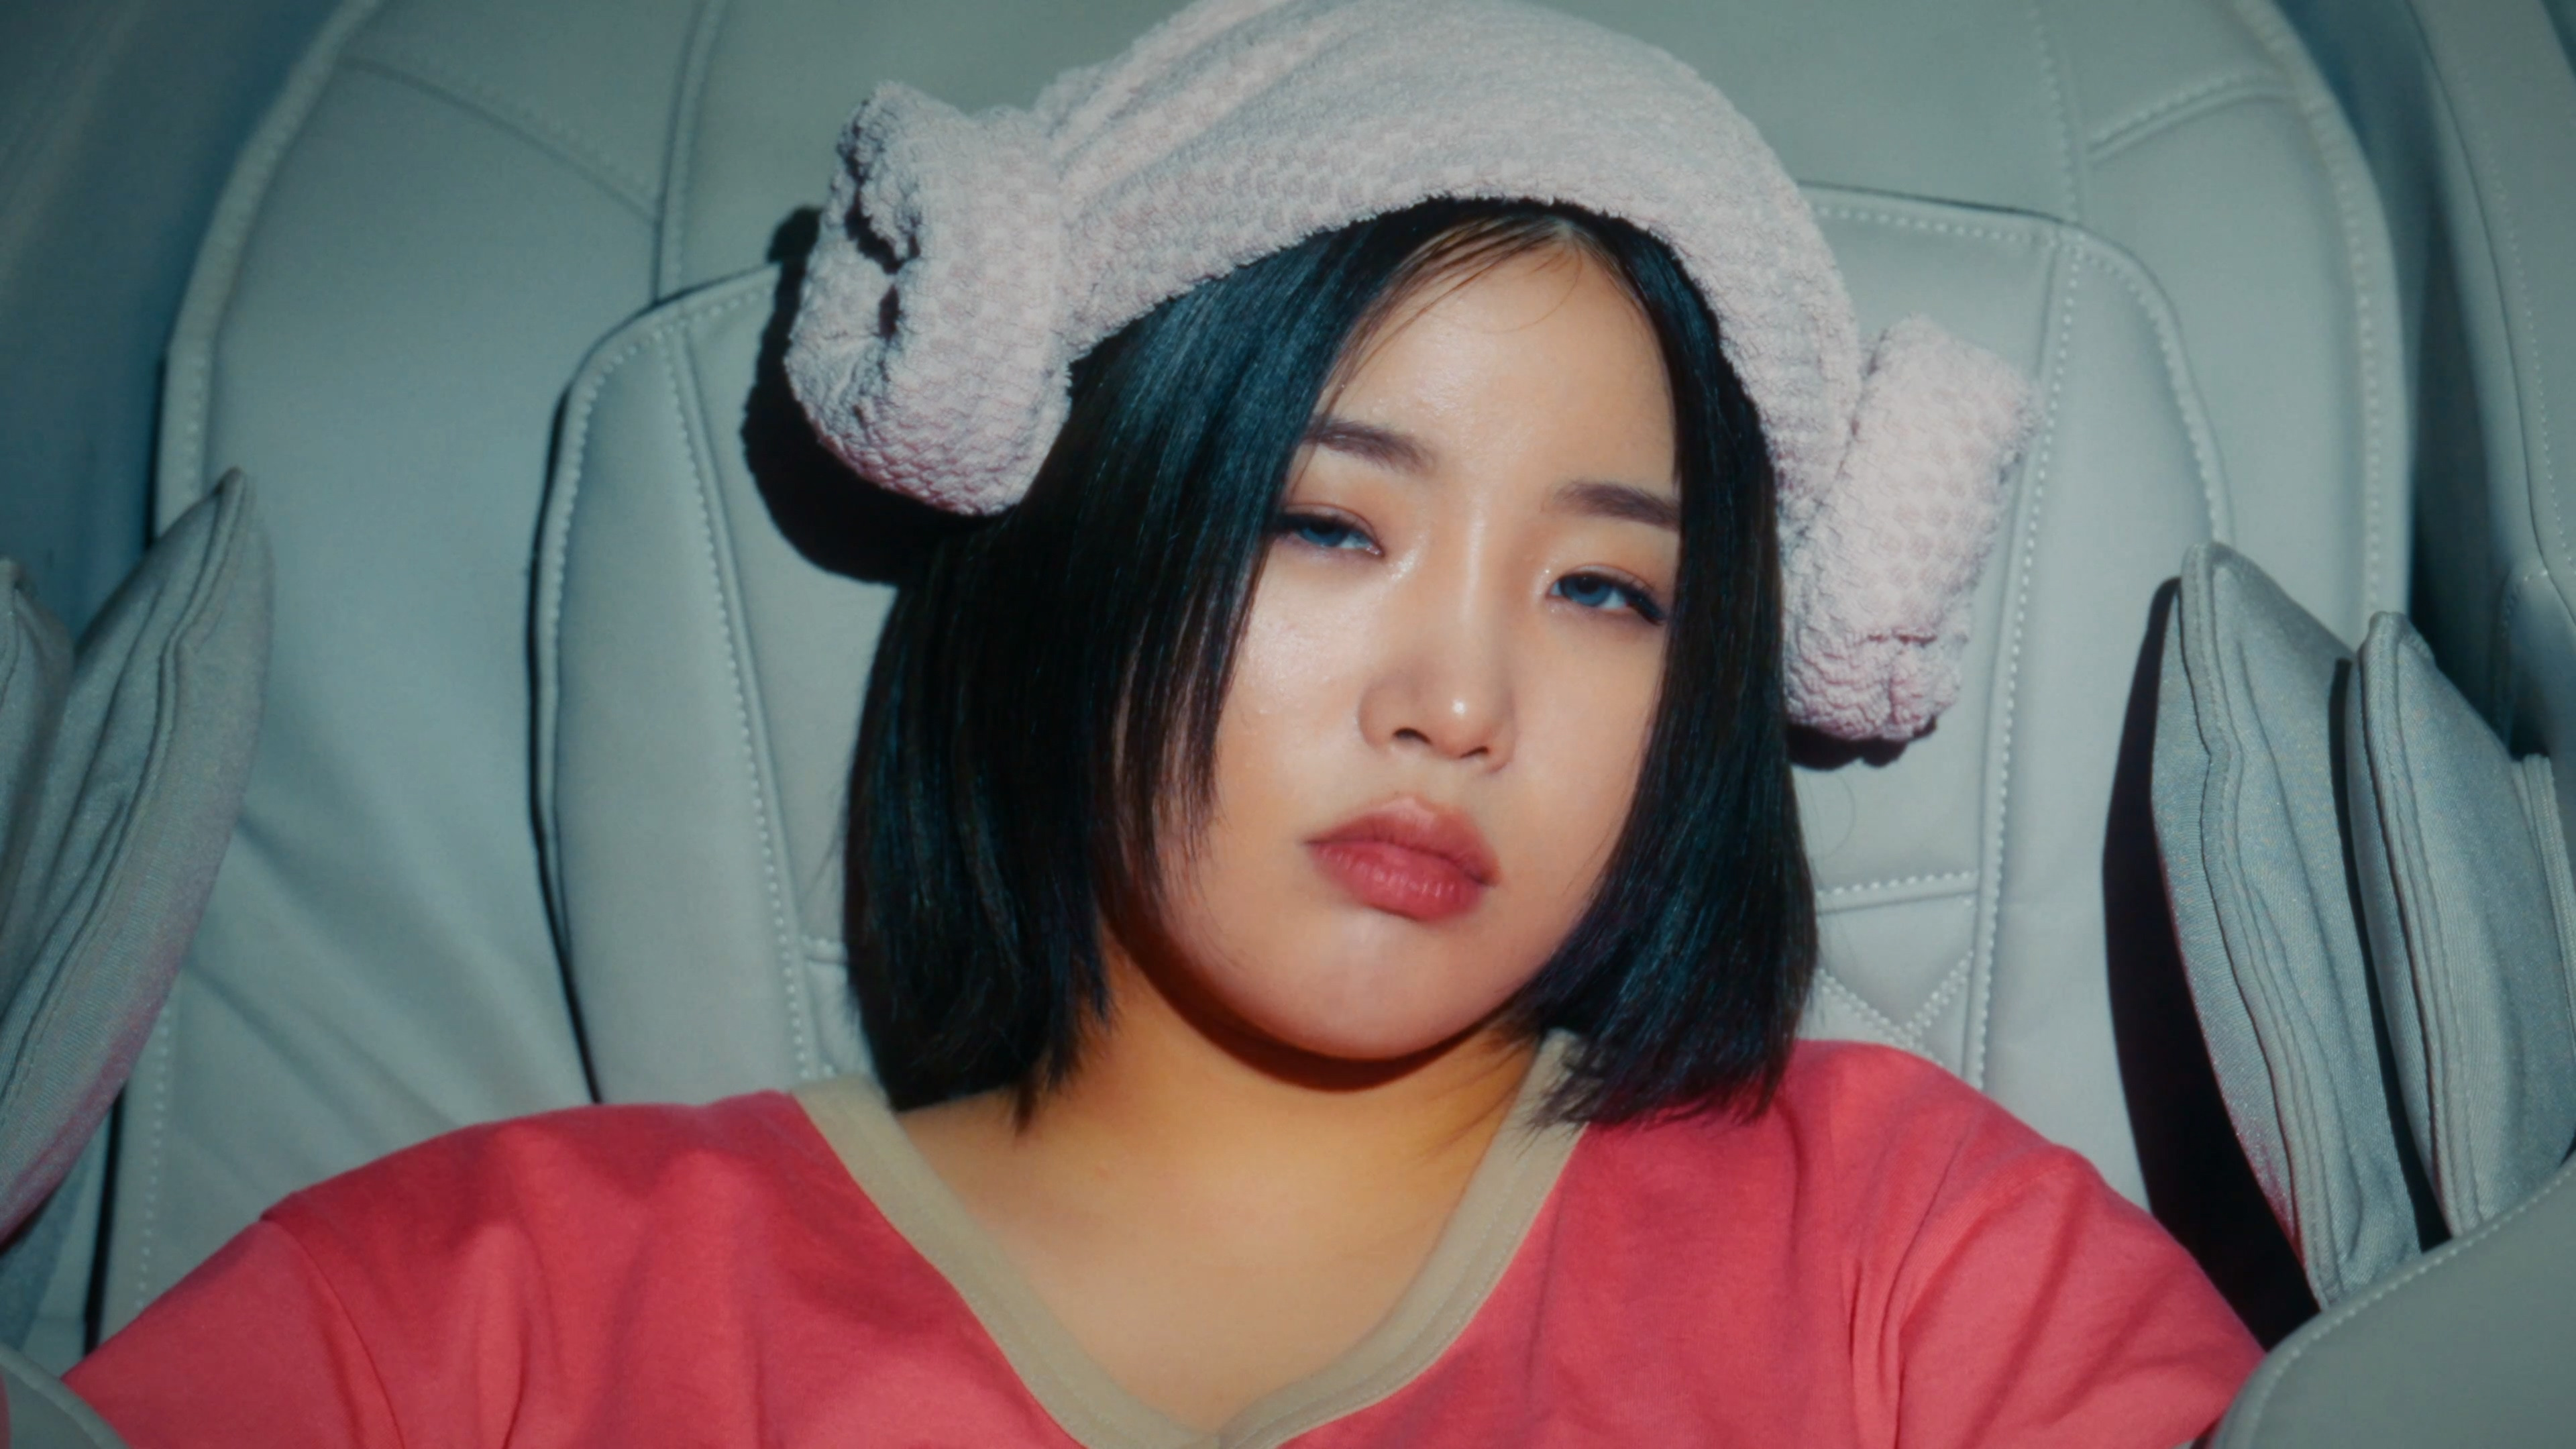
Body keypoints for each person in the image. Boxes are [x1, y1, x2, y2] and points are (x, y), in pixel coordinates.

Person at [67, 0, 2262, 1442]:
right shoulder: (477, 1318)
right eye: (1327, 526)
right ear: (1083, 532)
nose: (1461, 704)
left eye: (1605, 589)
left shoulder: (1921, 1264)